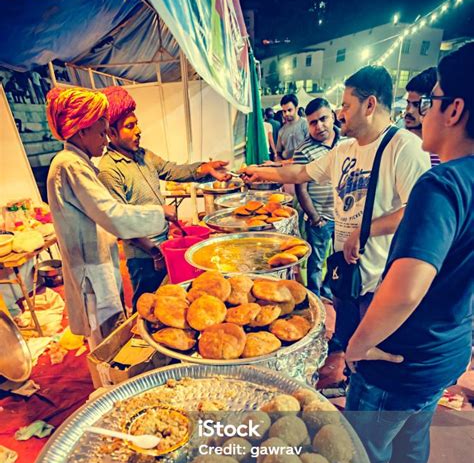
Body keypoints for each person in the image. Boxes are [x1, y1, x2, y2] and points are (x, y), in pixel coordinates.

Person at [344, 42, 474, 463]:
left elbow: (405, 289)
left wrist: (357, 346)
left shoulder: (441, 186)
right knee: (415, 433)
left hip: (399, 358)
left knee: (366, 446)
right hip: (446, 350)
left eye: (431, 99)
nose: (419, 112)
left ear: (456, 109)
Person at [244, 66, 430, 358]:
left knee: (372, 356)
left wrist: (364, 231)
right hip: (347, 271)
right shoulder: (345, 150)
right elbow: (301, 172)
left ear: (369, 105)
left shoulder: (404, 147)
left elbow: (417, 211)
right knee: (347, 342)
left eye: (346, 105)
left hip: (381, 281)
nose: (340, 113)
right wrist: (260, 172)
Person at [46, 86, 175, 348]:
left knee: (113, 330)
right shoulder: (69, 165)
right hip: (91, 270)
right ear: (82, 131)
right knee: (105, 343)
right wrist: (159, 213)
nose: (105, 141)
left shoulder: (79, 163)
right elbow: (113, 214)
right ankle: (108, 387)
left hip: (100, 264)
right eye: (102, 133)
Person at [98, 87, 229, 309]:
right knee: (147, 306)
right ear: (111, 132)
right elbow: (121, 224)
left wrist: (204, 168)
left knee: (169, 303)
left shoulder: (143, 155)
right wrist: (153, 252)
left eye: (136, 123)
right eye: (130, 126)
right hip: (142, 255)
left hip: (163, 245)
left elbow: (172, 170)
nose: (138, 130)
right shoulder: (109, 170)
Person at [293, 97, 342, 297]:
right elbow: (300, 189)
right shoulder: (303, 151)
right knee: (316, 261)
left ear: (333, 116)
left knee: (338, 258)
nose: (319, 126)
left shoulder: (349, 142)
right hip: (320, 217)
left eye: (323, 119)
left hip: (344, 217)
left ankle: (329, 290)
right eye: (313, 122)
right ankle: (314, 295)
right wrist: (315, 218)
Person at [405, 67, 440, 165]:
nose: (409, 110)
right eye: (408, 103)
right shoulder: (401, 144)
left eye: (416, 105)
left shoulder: (442, 154)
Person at [275, 93, 309, 161]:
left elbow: (310, 148)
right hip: (286, 166)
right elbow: (278, 153)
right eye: (284, 111)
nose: (286, 114)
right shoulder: (282, 130)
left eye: (289, 110)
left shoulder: (305, 125)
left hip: (302, 165)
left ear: (296, 109)